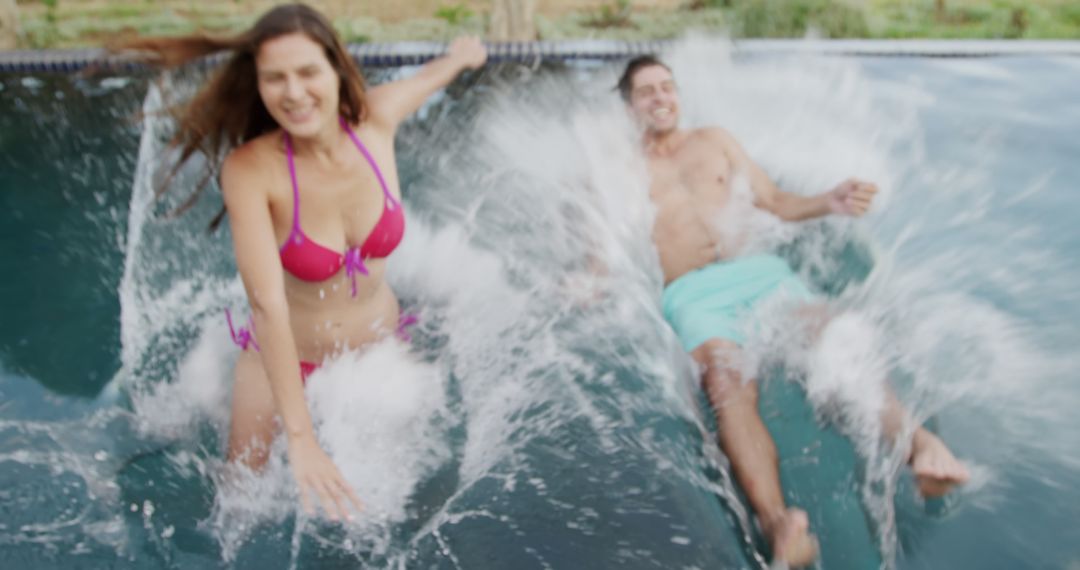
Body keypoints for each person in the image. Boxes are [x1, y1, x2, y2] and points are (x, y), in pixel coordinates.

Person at [120, 4, 486, 521]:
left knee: (395, 508)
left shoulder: (377, 122)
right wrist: (302, 438)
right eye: (275, 79)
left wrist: (461, 58)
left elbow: (429, 77)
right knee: (238, 507)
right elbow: (266, 306)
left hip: (377, 351)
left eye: (307, 72)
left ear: (337, 69)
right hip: (284, 359)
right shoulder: (251, 170)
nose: (292, 92)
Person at [615, 56, 970, 567]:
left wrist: (830, 201)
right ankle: (780, 524)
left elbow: (774, 200)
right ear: (631, 106)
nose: (660, 97)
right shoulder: (623, 168)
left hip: (759, 273)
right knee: (725, 381)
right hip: (692, 292)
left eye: (667, 87)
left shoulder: (715, 139)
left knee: (832, 334)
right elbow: (604, 240)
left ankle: (919, 447)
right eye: (647, 91)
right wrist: (590, 276)